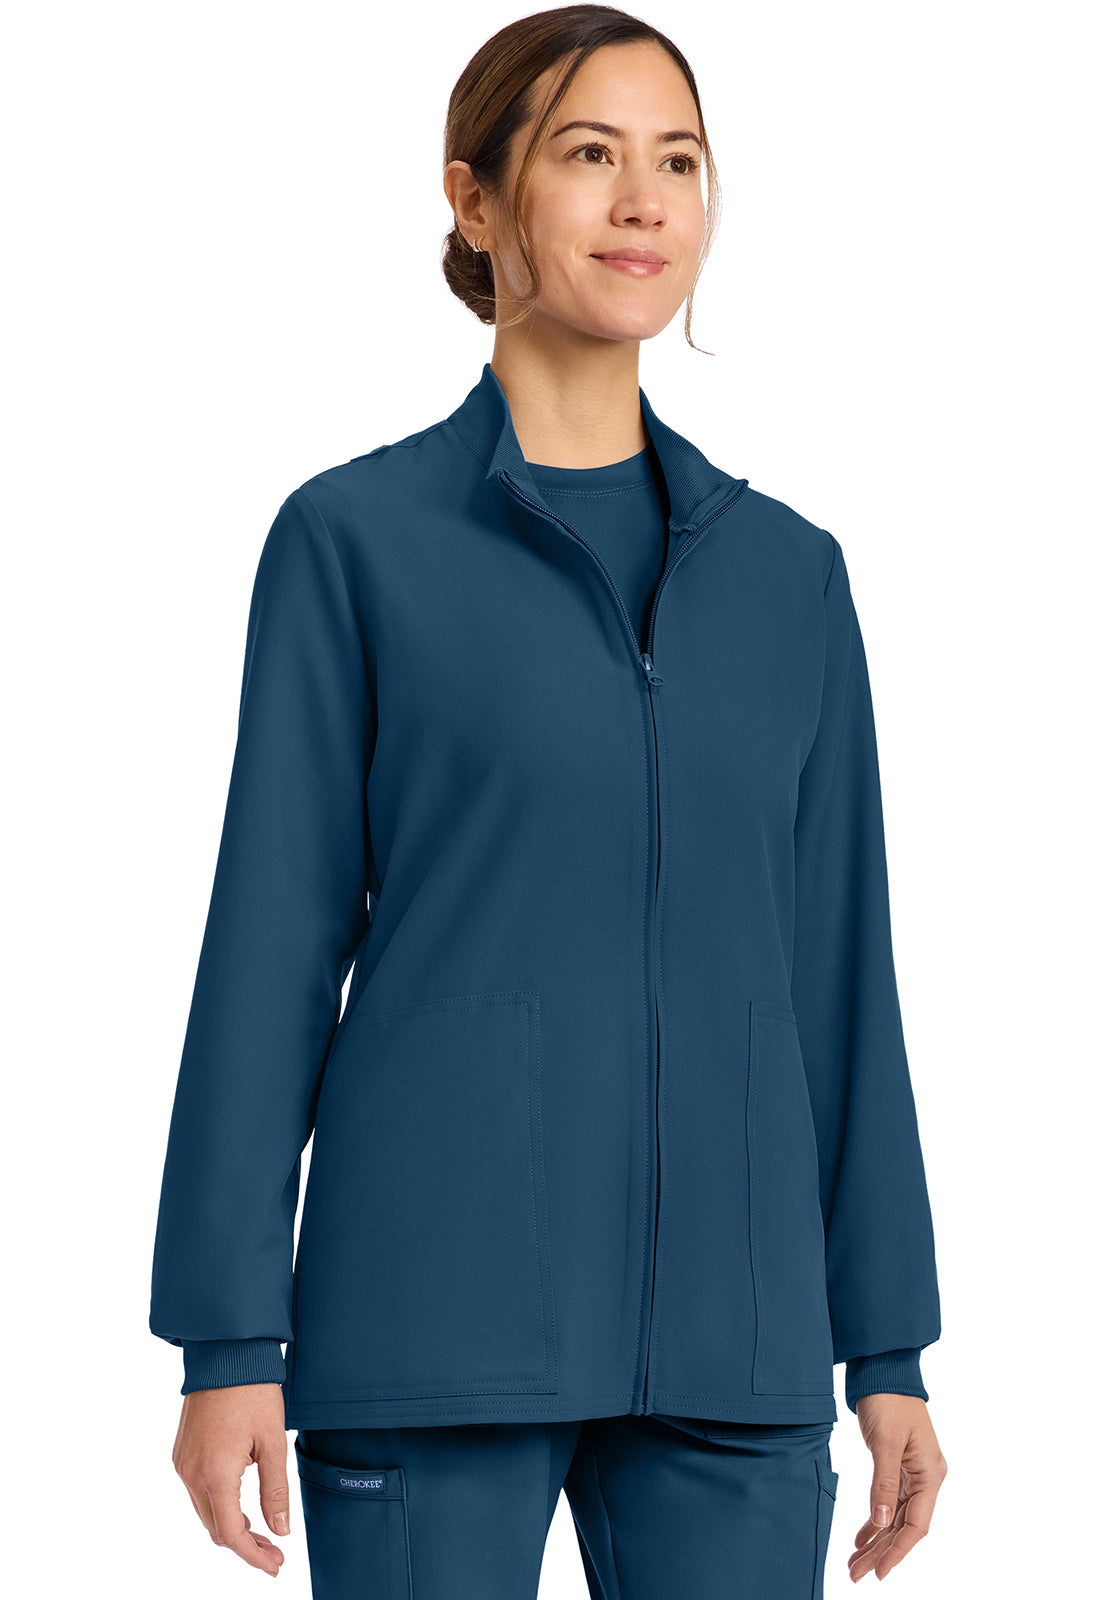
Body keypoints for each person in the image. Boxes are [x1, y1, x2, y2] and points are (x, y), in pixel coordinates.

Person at [149, 8, 948, 1596]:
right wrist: (228, 1338)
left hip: (735, 1341)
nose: (644, 202)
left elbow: (837, 972)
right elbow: (272, 944)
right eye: (590, 154)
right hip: (430, 1328)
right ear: (476, 200)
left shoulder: (791, 577)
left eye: (679, 162)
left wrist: (890, 1344)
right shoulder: (354, 543)